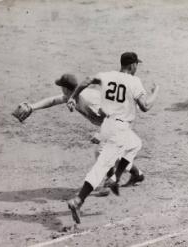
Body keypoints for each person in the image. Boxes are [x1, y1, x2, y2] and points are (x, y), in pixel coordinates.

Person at [66, 52, 159, 224]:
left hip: (107, 125)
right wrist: (155, 93)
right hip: (120, 129)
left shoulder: (107, 75)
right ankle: (78, 200)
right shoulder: (134, 81)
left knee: (136, 144)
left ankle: (115, 177)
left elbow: (87, 79)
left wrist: (72, 97)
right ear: (132, 65)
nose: (137, 67)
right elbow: (145, 106)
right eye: (136, 64)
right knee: (102, 165)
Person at [12, 74, 145, 190]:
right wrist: (32, 107)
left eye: (61, 87)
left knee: (102, 152)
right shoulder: (71, 96)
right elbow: (52, 100)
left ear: (65, 88)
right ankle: (137, 174)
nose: (61, 90)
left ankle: (108, 183)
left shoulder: (88, 99)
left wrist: (101, 134)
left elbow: (110, 115)